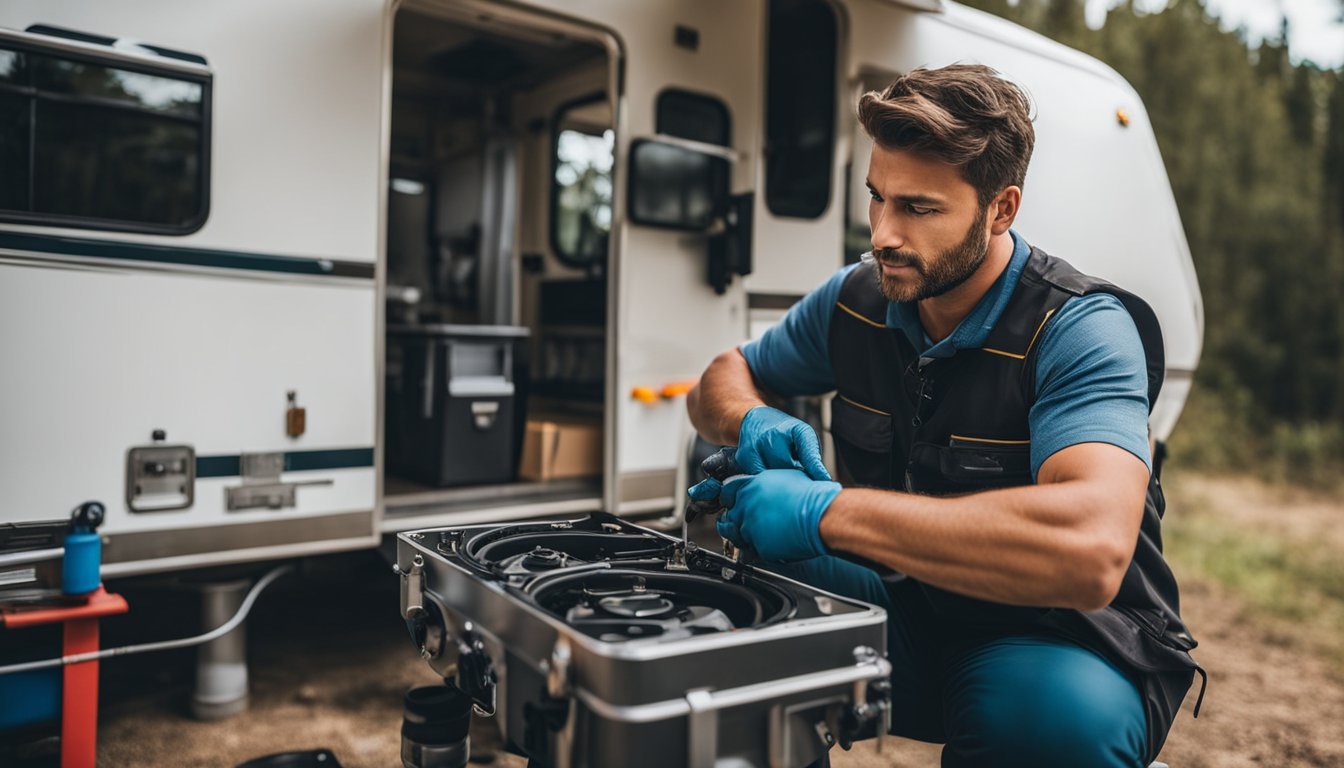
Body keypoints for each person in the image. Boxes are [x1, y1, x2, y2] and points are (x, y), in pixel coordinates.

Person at [686, 64, 1204, 768]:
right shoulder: (858, 299)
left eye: (919, 208)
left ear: (1001, 208)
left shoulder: (1078, 327)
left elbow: (1090, 552)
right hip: (911, 608)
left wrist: (824, 512)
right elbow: (721, 376)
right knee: (721, 613)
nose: (883, 234)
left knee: (1044, 727)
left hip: (1062, 636)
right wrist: (749, 419)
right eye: (877, 199)